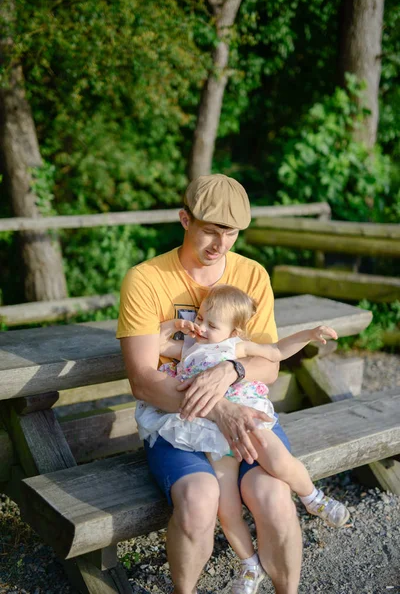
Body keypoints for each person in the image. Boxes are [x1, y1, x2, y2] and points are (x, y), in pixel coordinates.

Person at [117, 174, 301, 594]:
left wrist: (231, 372)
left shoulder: (253, 276)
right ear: (185, 219)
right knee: (199, 500)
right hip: (176, 419)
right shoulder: (145, 279)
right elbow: (143, 381)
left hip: (244, 411)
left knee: (273, 497)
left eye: (232, 234)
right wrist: (217, 406)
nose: (221, 245)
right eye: (210, 232)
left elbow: (268, 366)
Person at [137, 284, 350, 546]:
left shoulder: (235, 347)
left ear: (233, 332)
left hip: (243, 421)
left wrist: (309, 334)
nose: (202, 328)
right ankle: (249, 564)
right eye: (200, 318)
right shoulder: (189, 348)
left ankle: (313, 498)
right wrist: (176, 325)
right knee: (227, 511)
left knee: (280, 461)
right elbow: (156, 345)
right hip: (210, 433)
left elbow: (276, 352)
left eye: (212, 326)